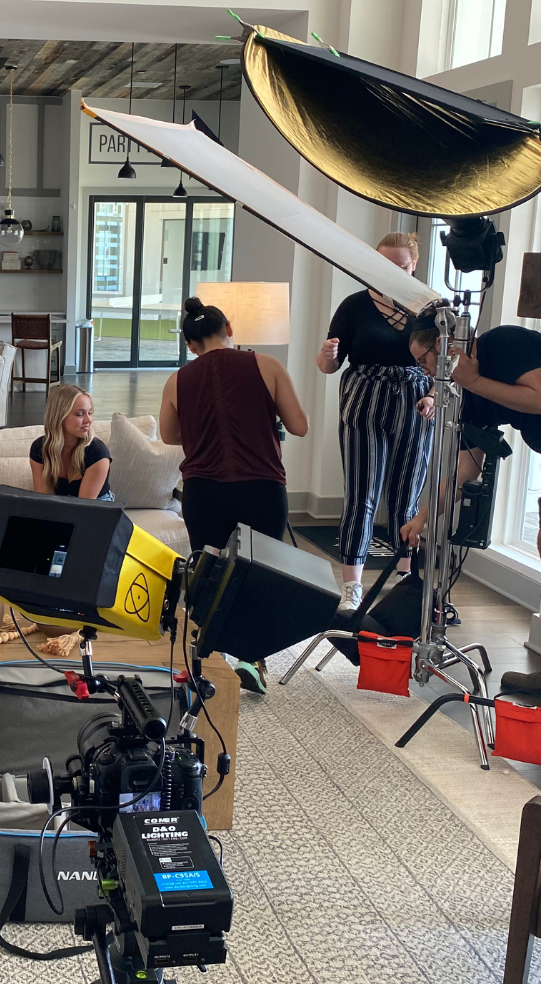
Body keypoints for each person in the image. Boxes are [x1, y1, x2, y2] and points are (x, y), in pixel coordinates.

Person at [159, 296, 308, 693]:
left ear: (190, 345)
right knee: (258, 575)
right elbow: (299, 426)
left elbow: (169, 435)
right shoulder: (266, 365)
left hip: (205, 491)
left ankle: (209, 659)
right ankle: (251, 660)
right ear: (229, 330)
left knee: (210, 575)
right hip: (261, 486)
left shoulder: (178, 379)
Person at [404, 317, 541, 694]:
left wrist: (475, 381)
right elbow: (466, 468)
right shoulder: (469, 396)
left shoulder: (503, 343)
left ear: (445, 347)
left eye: (424, 361)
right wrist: (423, 517)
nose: (426, 372)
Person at [317, 232, 435, 611]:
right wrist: (327, 355)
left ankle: (406, 579)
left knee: (407, 496)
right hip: (364, 401)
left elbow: (444, 363)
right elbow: (328, 366)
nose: (391, 272)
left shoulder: (430, 307)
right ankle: (352, 585)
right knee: (361, 495)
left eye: (400, 266)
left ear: (413, 265)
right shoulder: (355, 305)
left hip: (415, 402)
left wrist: (432, 395)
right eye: (384, 264)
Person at [29, 384, 113, 500]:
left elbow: (83, 510)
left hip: (95, 507)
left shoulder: (97, 453)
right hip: (62, 506)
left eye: (90, 413)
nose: (88, 420)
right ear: (59, 417)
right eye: (80, 414)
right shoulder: (39, 448)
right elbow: (42, 499)